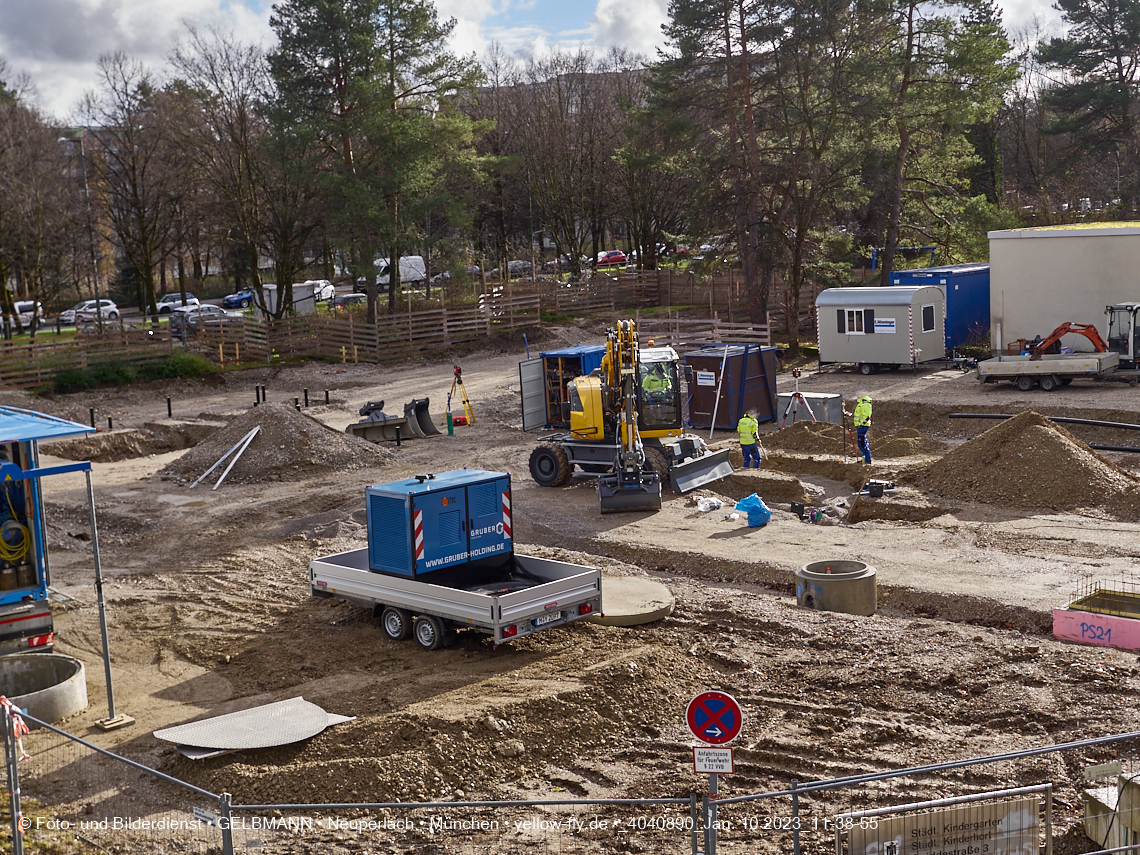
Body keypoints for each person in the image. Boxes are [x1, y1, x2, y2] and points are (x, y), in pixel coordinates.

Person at [853, 395, 872, 464]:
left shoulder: (865, 404)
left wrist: (862, 424)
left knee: (862, 443)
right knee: (861, 443)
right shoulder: (861, 403)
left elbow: (867, 415)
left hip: (862, 426)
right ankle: (865, 459)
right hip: (860, 426)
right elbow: (859, 414)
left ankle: (867, 460)